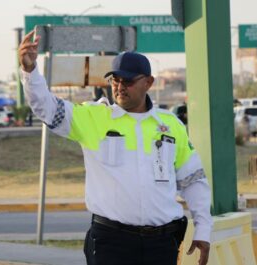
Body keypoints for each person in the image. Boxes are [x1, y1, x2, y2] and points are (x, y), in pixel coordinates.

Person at [19, 31, 212, 265]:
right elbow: (46, 108)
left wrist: (203, 229)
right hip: (111, 243)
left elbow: (193, 180)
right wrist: (30, 72)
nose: (120, 86)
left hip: (161, 245)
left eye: (128, 81)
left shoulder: (171, 125)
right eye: (115, 80)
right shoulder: (94, 117)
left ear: (148, 82)